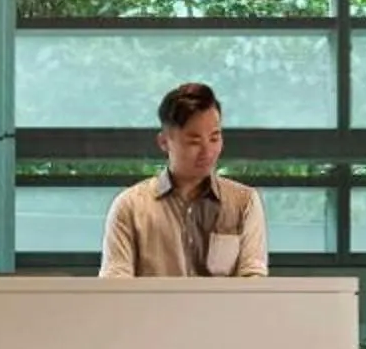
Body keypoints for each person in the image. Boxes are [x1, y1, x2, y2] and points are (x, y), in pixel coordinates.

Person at [100, 81, 269, 278]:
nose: (208, 151)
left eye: (214, 138)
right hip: (153, 309)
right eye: (194, 142)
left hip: (223, 310)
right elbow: (115, 289)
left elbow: (253, 284)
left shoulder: (243, 203)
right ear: (164, 142)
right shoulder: (130, 207)